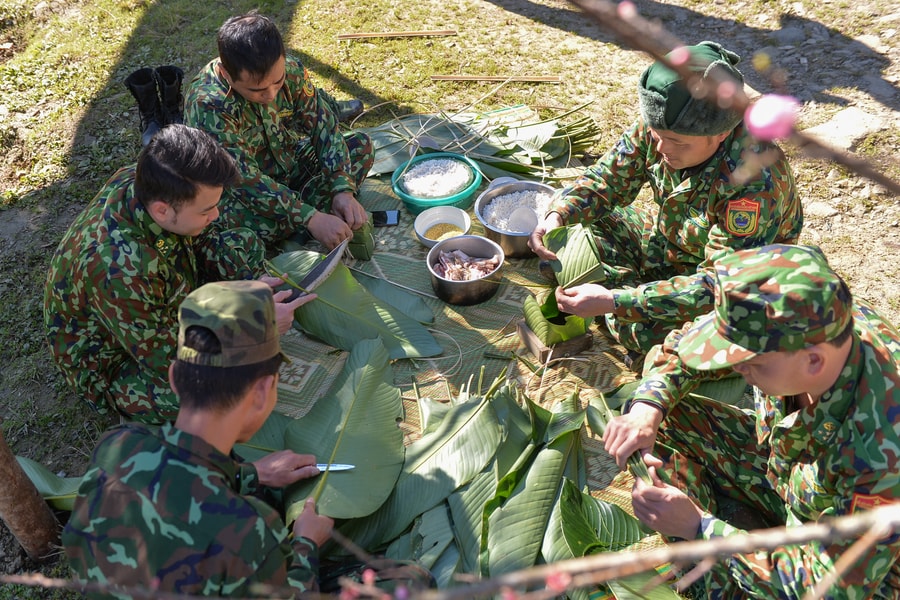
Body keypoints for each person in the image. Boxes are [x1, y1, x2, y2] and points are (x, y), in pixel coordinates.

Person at [602, 244, 900, 598]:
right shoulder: (806, 323)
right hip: (786, 478)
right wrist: (647, 408)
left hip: (860, 572)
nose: (737, 369)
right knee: (661, 420)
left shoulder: (882, 450)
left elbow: (831, 587)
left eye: (751, 363)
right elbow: (690, 346)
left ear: (813, 362)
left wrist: (702, 528)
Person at [528, 41, 802, 357]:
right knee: (583, 214)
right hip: (672, 242)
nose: (660, 149)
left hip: (732, 285)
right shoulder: (665, 126)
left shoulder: (752, 183)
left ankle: (612, 296)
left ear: (722, 133)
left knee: (638, 329)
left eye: (675, 142)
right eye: (656, 136)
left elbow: (718, 285)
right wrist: (557, 216)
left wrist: (617, 302)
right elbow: (607, 179)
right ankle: (619, 292)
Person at [63, 280, 335, 597]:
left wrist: (253, 474)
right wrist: (306, 542)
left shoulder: (118, 445)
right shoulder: (249, 531)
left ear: (174, 377)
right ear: (262, 392)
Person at [44, 124, 313, 425]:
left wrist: (246, 290)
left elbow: (201, 238)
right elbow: (167, 358)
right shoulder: (119, 270)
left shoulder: (148, 179)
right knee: (219, 387)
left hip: (163, 286)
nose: (216, 215)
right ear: (161, 211)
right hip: (118, 361)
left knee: (244, 243)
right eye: (205, 210)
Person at [183, 11, 375, 251]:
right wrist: (309, 216)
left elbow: (323, 126)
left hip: (289, 165)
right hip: (241, 193)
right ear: (226, 75)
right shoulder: (209, 105)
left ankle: (299, 222)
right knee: (232, 225)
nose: (271, 94)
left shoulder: (291, 69)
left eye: (278, 81)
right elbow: (244, 181)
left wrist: (342, 190)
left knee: (360, 147)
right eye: (257, 90)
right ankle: (305, 220)